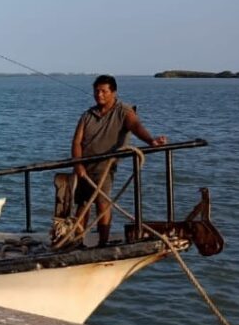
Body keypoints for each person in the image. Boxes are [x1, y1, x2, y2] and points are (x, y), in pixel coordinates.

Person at [71, 74, 167, 246]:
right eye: (96, 91)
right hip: (85, 166)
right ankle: (77, 241)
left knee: (102, 203)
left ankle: (103, 242)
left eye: (103, 91)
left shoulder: (124, 111)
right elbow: (77, 141)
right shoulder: (88, 115)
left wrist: (151, 141)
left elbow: (136, 126)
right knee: (82, 205)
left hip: (105, 165)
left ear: (113, 92)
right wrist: (78, 164)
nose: (99, 95)